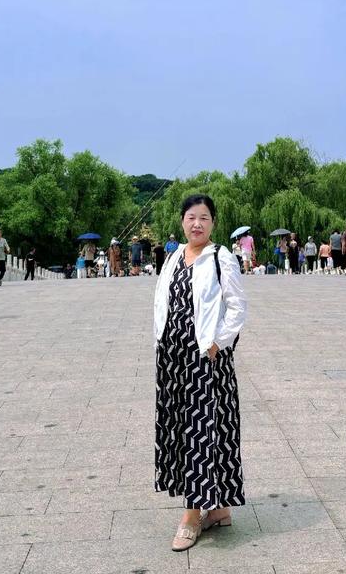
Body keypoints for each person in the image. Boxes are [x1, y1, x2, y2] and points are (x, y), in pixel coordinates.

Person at [154, 194, 247, 552]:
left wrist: (216, 343)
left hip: (207, 362)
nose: (197, 224)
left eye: (204, 218)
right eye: (191, 217)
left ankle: (193, 516)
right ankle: (219, 508)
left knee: (204, 434)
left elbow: (238, 308)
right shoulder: (174, 256)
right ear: (182, 221)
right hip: (174, 361)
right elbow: (164, 303)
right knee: (184, 431)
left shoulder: (221, 257)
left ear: (213, 223)